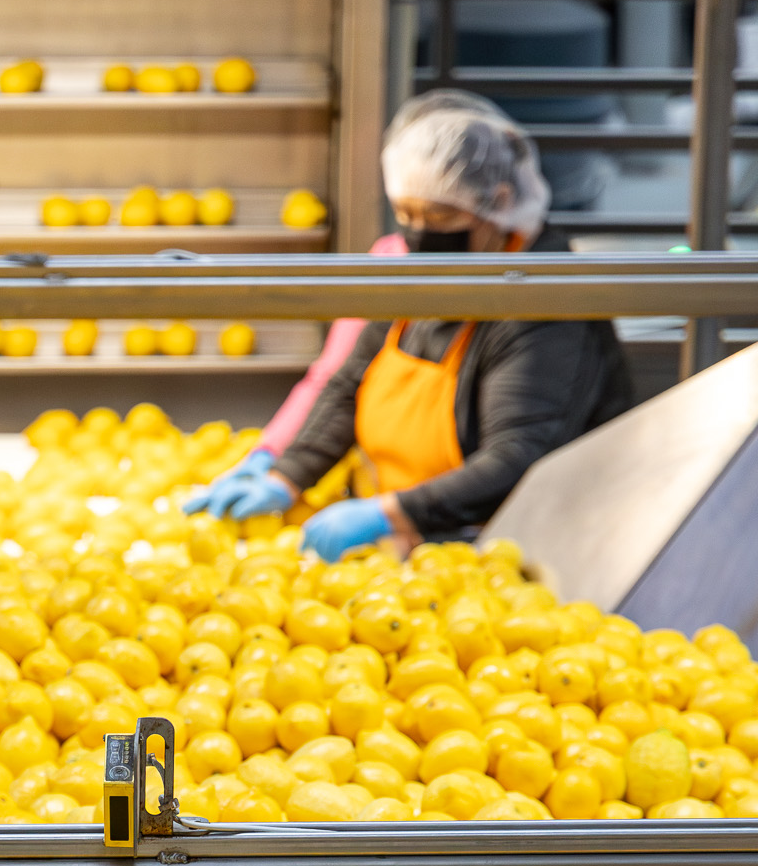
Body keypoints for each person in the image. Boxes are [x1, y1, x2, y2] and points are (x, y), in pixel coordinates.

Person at [185, 91, 632, 561]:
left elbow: (517, 456)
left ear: (498, 203)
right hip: (426, 546)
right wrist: (286, 474)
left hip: (521, 554)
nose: (420, 233)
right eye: (406, 215)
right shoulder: (420, 272)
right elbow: (349, 381)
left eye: (441, 216)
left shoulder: (542, 302)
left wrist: (386, 514)